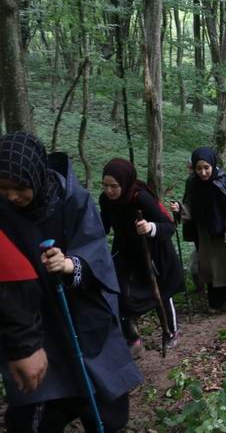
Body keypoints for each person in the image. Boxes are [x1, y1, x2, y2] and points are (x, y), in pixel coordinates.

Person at [0, 132, 142, 432]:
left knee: (103, 404)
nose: (12, 196)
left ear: (35, 176)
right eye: (3, 188)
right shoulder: (4, 212)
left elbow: (97, 255)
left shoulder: (72, 200)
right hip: (32, 319)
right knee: (36, 407)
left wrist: (69, 264)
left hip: (81, 313)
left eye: (19, 187)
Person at [99, 159, 184, 355]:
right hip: (127, 252)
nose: (109, 191)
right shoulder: (106, 200)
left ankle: (171, 331)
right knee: (120, 292)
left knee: (162, 292)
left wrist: (150, 227)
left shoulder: (141, 198)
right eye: (105, 186)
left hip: (153, 251)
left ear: (125, 182)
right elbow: (104, 225)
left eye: (114, 186)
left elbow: (169, 225)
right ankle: (132, 338)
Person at [171, 148, 226, 312]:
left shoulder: (224, 182)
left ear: (212, 165)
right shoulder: (192, 183)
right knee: (211, 267)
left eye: (206, 168)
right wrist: (179, 209)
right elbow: (189, 206)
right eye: (199, 169)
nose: (203, 172)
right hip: (205, 232)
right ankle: (218, 300)